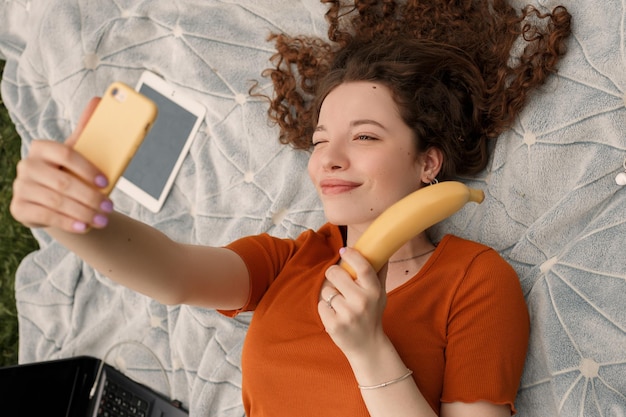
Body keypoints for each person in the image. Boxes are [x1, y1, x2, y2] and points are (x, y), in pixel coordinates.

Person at [10, 1, 571, 416]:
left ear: (428, 162)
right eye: (321, 140)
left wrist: (370, 350)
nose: (329, 159)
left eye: (366, 138)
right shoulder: (295, 260)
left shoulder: (474, 282)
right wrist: (76, 222)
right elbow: (176, 275)